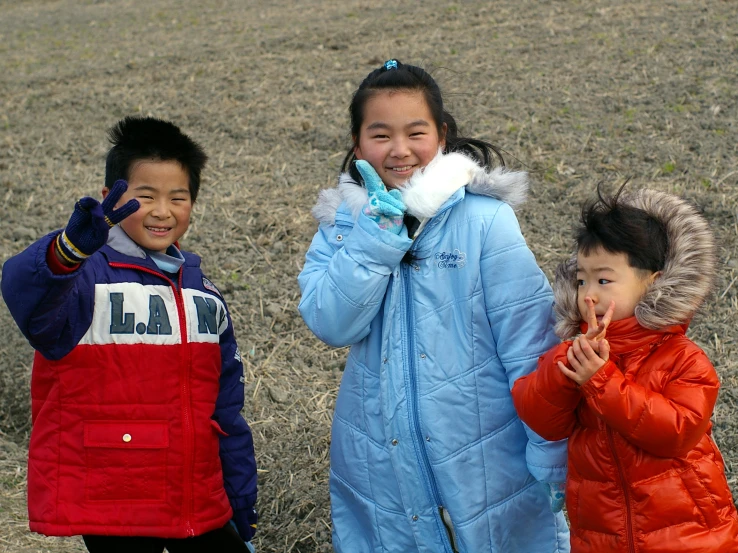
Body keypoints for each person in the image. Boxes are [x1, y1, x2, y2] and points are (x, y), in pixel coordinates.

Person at [298, 59, 569, 553]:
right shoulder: (341, 226)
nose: (399, 150)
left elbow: (529, 344)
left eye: (415, 132)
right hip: (378, 451)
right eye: (380, 135)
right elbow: (330, 322)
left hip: (486, 453)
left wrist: (552, 452)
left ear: (441, 136)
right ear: (358, 145)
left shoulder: (485, 221)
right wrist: (375, 237)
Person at [1, 116, 258, 553]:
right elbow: (29, 295)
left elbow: (226, 407)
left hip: (193, 495)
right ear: (111, 199)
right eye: (146, 196)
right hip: (114, 499)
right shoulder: (84, 277)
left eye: (178, 197)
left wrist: (238, 497)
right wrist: (69, 250)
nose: (163, 211)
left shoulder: (203, 293)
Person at [511, 184, 738, 552]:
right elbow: (541, 418)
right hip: (603, 532)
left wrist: (601, 382)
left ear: (654, 283)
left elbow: (676, 432)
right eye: (582, 279)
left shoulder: (682, 358)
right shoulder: (574, 352)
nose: (589, 294)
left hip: (686, 531)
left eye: (604, 280)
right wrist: (563, 369)